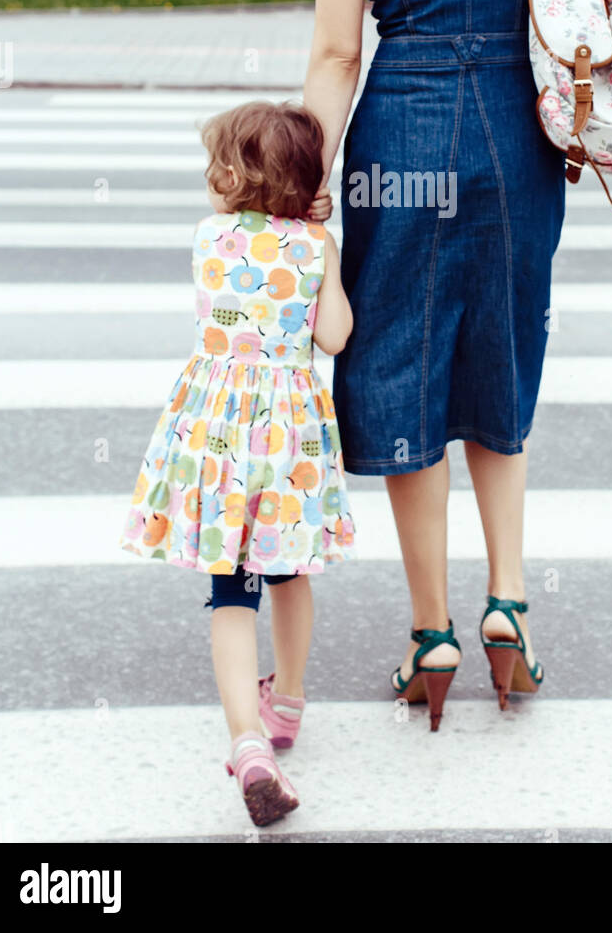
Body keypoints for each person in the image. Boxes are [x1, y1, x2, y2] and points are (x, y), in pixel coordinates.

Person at [285, 0, 566, 732]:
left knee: (399, 360)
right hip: (516, 138)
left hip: (403, 137)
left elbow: (332, 55)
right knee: (500, 353)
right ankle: (509, 608)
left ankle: (432, 631)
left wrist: (308, 189)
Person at [118, 99, 357, 825]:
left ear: (237, 175)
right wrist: (324, 247)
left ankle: (249, 744)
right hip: (288, 437)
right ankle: (284, 703)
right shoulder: (315, 247)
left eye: (217, 165)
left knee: (231, 590)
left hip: (218, 435)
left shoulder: (211, 236)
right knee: (290, 573)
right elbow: (337, 338)